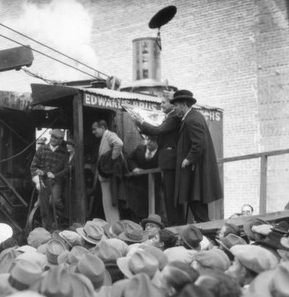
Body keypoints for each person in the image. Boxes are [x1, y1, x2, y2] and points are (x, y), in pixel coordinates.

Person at [172, 90, 223, 223]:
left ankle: (208, 234)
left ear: (183, 104)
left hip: (196, 172)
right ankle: (207, 233)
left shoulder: (191, 120)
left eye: (176, 105)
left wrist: (187, 159)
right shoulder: (194, 116)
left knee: (198, 207)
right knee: (198, 206)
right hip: (198, 172)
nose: (175, 108)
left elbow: (200, 143)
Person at [136, 90, 185, 225]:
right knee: (169, 195)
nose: (161, 105)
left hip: (171, 162)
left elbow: (159, 131)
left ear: (172, 104)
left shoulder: (174, 117)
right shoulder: (170, 117)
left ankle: (176, 224)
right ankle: (174, 222)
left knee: (171, 195)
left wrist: (141, 122)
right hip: (167, 162)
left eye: (163, 102)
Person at [30, 129, 68, 230]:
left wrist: (55, 176)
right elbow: (33, 167)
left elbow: (66, 171)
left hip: (56, 181)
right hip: (42, 181)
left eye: (57, 138)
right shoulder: (42, 149)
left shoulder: (64, 153)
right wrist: (38, 181)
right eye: (52, 137)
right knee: (41, 205)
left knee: (53, 202)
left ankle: (59, 220)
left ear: (60, 140)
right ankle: (46, 227)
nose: (53, 140)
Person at [92, 120, 125, 225]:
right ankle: (113, 226)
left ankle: (114, 226)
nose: (93, 132)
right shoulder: (104, 137)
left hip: (109, 177)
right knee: (108, 204)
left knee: (110, 204)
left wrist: (112, 160)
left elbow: (119, 143)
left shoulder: (109, 135)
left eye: (95, 129)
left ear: (102, 127)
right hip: (105, 178)